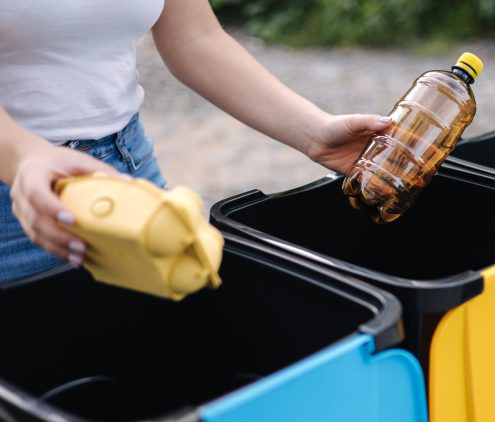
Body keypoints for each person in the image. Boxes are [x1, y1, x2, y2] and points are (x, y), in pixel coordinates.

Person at [0, 0, 391, 283]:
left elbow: (194, 37)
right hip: (15, 198)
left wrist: (314, 132)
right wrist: (24, 156)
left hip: (126, 166)